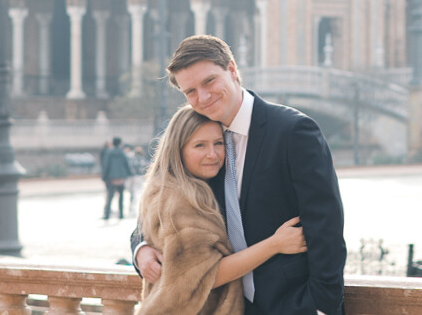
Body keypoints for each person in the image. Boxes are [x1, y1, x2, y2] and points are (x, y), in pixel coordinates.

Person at [133, 35, 347, 315]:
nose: (203, 97)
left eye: (209, 81)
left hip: (293, 304)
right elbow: (160, 206)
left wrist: (321, 307)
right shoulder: (203, 142)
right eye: (191, 91)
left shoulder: (293, 131)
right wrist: (140, 249)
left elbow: (326, 226)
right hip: (232, 307)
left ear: (232, 69)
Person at [137, 105, 307, 315]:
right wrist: (275, 244)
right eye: (200, 145)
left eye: (218, 143)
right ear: (177, 150)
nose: (212, 154)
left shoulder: (186, 187)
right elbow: (206, 275)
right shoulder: (178, 200)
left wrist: (140, 248)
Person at [101, 136, 133, 220]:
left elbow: (106, 165)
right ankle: (121, 213)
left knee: (110, 196)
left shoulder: (109, 152)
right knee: (121, 196)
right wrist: (130, 174)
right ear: (120, 143)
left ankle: (107, 214)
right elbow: (126, 164)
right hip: (121, 178)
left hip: (112, 177)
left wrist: (104, 177)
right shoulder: (122, 153)